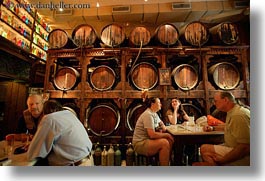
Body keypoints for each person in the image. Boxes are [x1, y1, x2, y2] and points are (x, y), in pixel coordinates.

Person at [27, 99, 93, 166]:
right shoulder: (69, 114)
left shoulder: (49, 118)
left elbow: (33, 154)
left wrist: (33, 145)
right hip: (88, 160)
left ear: (44, 112)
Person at [193, 91, 250, 166]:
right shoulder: (233, 111)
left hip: (245, 156)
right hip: (232, 146)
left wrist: (223, 160)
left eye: (216, 101)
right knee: (204, 148)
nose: (214, 103)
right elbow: (228, 126)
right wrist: (212, 128)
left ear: (225, 100)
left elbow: (245, 147)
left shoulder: (238, 115)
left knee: (205, 151)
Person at [132, 97, 174, 166]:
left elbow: (162, 125)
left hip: (147, 140)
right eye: (159, 103)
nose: (161, 104)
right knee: (164, 143)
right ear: (152, 104)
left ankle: (165, 163)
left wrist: (162, 126)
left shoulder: (154, 114)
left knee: (169, 141)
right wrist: (167, 135)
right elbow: (152, 134)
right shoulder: (148, 114)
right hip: (140, 143)